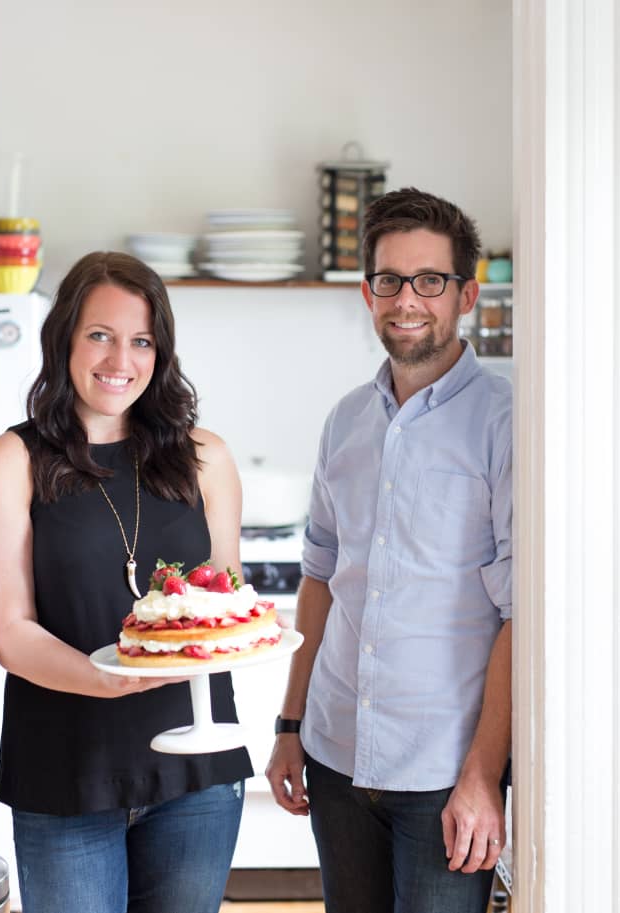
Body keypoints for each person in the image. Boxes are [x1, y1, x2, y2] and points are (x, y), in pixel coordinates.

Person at [266, 187, 512, 913]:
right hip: (335, 755)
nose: (408, 299)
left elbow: (521, 614)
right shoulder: (345, 420)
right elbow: (319, 581)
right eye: (389, 280)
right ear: (367, 293)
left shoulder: (506, 423)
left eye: (430, 280)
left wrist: (482, 775)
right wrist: (289, 726)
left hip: (441, 770)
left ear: (466, 292)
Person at [0, 251, 253, 913]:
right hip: (64, 771)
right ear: (65, 340)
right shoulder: (14, 459)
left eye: (141, 340)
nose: (120, 359)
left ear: (159, 353)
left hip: (197, 770)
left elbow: (227, 606)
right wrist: (105, 678)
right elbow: (11, 628)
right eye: (100, 335)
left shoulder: (205, 458)